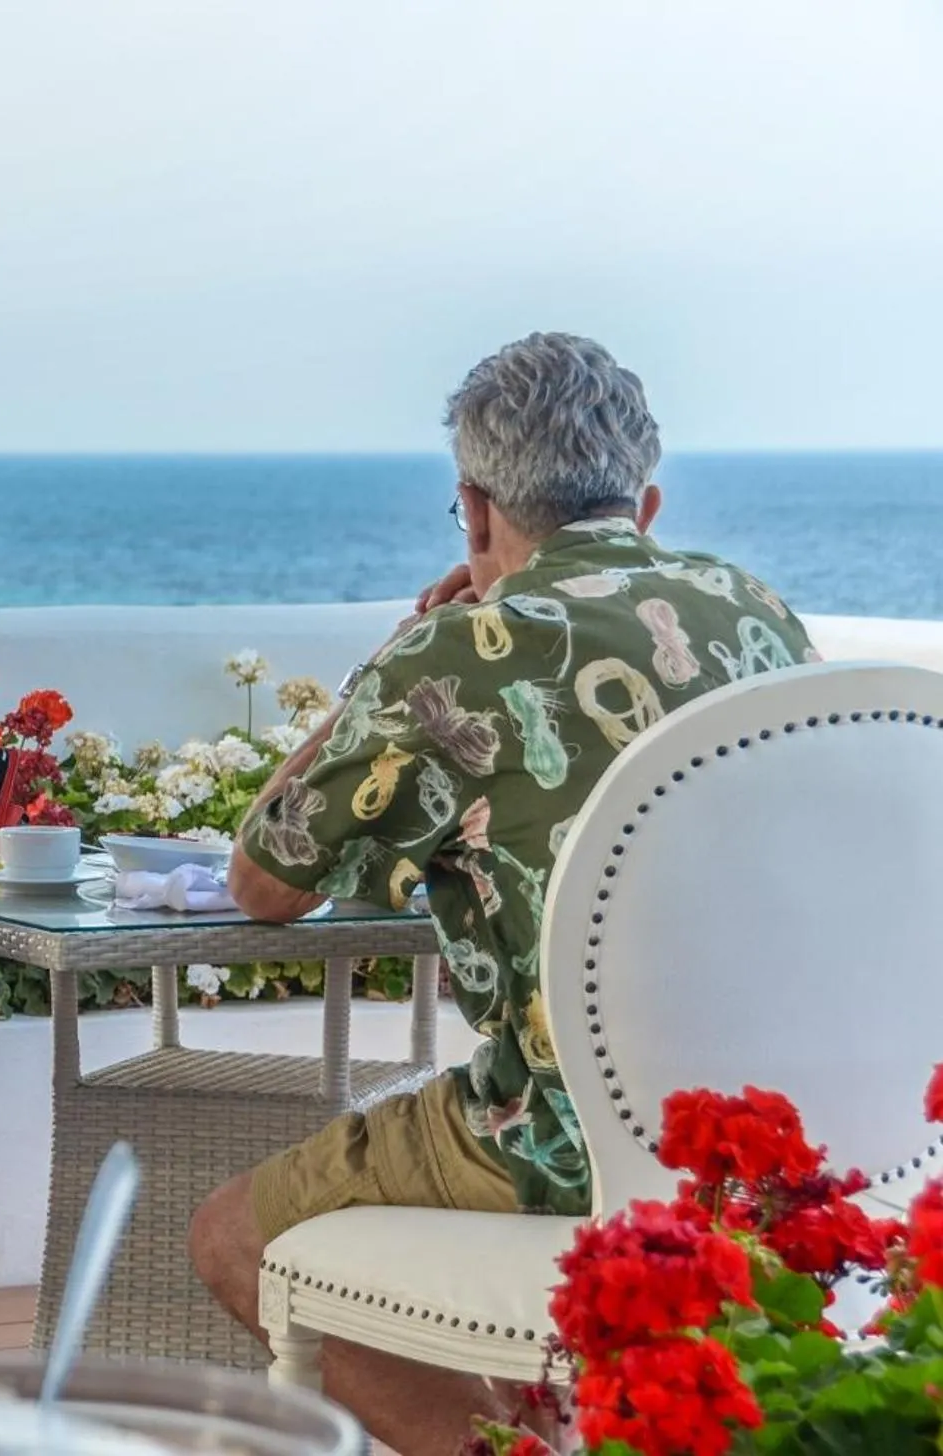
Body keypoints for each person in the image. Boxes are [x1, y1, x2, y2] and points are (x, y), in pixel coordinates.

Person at [189, 333, 815, 1452]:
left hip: (563, 1138)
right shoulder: (754, 611)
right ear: (648, 502)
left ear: (474, 512)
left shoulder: (452, 654)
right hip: (765, 1127)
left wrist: (398, 655)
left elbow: (263, 884)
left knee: (233, 1240)